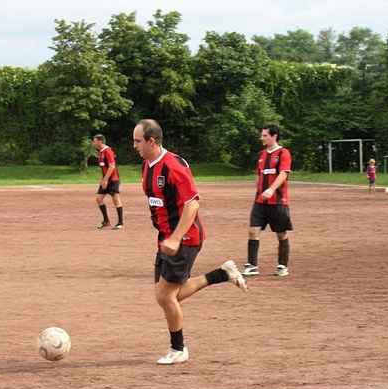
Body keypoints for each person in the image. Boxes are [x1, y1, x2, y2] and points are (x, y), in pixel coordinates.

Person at [133, 119, 247, 365]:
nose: (134, 146)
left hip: (184, 238)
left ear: (152, 141)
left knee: (165, 296)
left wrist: (175, 238)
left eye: (138, 141)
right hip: (166, 238)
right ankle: (222, 274)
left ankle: (178, 349)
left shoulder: (173, 165)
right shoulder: (147, 166)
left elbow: (192, 203)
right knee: (167, 295)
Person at [242, 124, 293, 278]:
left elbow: (283, 174)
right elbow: (260, 175)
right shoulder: (261, 154)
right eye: (262, 135)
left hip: (277, 202)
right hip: (260, 202)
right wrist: (259, 188)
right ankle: (252, 265)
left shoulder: (284, 153)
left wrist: (271, 189)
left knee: (281, 234)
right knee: (253, 231)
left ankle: (282, 266)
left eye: (265, 135)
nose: (262, 138)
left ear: (274, 136)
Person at [92, 134, 123, 229]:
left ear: (100, 141)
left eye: (95, 141)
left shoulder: (107, 151)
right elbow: (104, 167)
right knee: (99, 199)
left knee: (116, 200)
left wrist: (105, 180)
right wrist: (103, 179)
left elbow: (112, 166)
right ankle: (106, 221)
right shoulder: (101, 152)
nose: (93, 143)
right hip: (105, 179)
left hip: (113, 180)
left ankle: (120, 223)